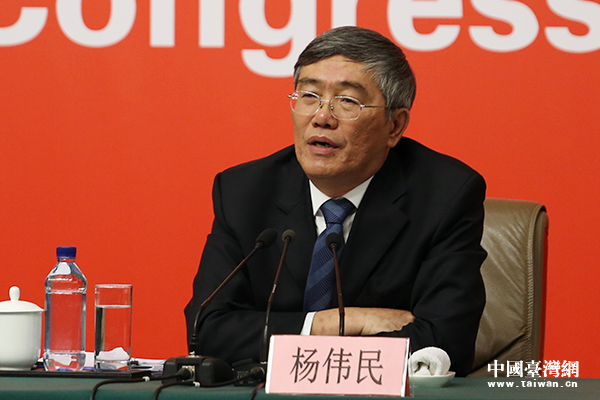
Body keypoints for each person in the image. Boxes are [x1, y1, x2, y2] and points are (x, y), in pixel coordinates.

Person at [184, 26, 486, 377]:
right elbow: (206, 331)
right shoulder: (245, 191)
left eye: (348, 101)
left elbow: (443, 343)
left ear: (394, 126)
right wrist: (341, 323)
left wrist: (290, 343)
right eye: (309, 95)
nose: (321, 117)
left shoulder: (444, 195)